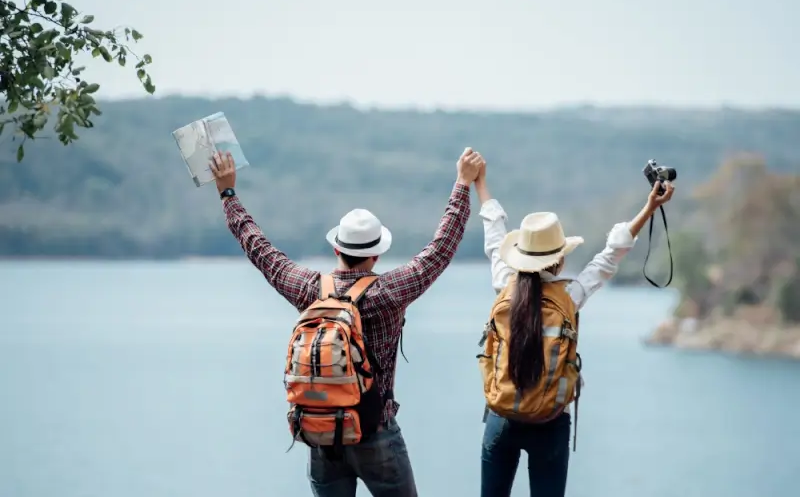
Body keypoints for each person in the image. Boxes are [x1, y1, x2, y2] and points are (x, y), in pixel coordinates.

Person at [209, 147, 485, 497]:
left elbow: (261, 250)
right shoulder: (388, 293)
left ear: (337, 249)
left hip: (323, 433)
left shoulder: (310, 290)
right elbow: (440, 249)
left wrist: (228, 193)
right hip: (376, 433)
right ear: (376, 254)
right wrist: (462, 183)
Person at [473, 161, 675, 497]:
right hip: (550, 422)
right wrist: (650, 207)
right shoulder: (569, 295)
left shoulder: (504, 284)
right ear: (560, 259)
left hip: (501, 415)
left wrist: (480, 184)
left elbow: (494, 235)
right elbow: (611, 255)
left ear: (520, 256)